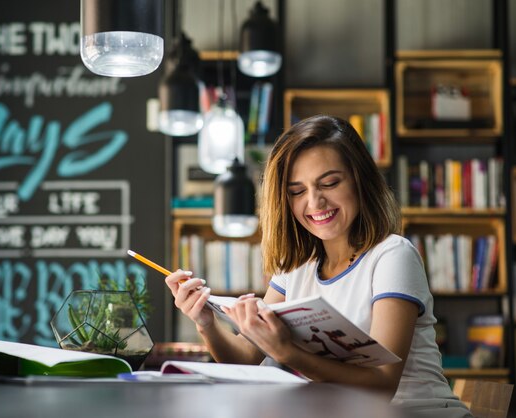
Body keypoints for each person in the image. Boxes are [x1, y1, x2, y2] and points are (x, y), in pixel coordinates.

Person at [165, 115, 471, 417]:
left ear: (360, 181)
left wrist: (288, 352)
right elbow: (246, 357)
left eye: (330, 183)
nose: (315, 202)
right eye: (297, 191)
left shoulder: (392, 255)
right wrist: (206, 323)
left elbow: (383, 385)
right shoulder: (297, 267)